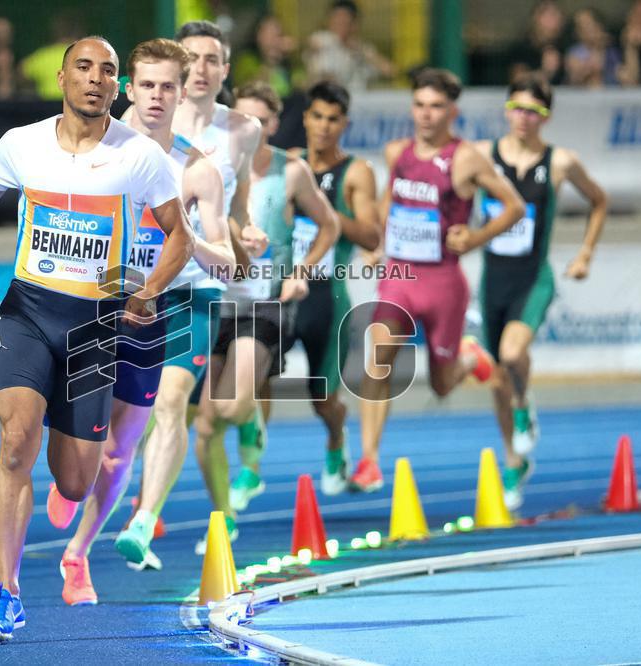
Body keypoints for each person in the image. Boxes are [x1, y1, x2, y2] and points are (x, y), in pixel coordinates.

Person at [0, 36, 193, 644]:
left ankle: (68, 482)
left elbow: (179, 238)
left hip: (95, 327)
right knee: (14, 441)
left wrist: (147, 292)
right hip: (27, 312)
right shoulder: (21, 144)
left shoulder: (138, 156)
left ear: (117, 88)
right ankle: (6, 595)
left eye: (107, 72)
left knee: (77, 482)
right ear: (62, 77)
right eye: (84, 68)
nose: (95, 79)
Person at [42, 37, 235, 602]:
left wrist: (186, 235)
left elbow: (224, 263)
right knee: (84, 442)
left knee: (123, 446)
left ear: (183, 91)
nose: (156, 96)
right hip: (101, 300)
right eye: (146, 84)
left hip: (175, 303)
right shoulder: (97, 146)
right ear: (128, 87)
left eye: (167, 87)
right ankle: (70, 479)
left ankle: (79, 556)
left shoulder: (199, 173)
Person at [113, 20, 269, 569]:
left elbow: (236, 204)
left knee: (176, 402)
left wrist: (224, 232)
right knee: (124, 428)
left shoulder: (232, 139)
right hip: (122, 291)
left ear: (221, 72)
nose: (199, 70)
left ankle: (143, 520)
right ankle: (109, 496)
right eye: (191, 59)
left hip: (192, 290)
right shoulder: (117, 137)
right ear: (136, 87)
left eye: (210, 61)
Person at [350, 68, 525, 493]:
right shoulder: (398, 152)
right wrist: (376, 241)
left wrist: (475, 237)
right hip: (400, 274)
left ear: (452, 112)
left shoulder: (465, 159)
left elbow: (514, 207)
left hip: (444, 282)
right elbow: (390, 198)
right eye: (420, 105)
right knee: (380, 353)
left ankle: (468, 358)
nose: (426, 115)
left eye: (436, 107)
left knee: (443, 385)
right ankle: (369, 460)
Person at [194, 80, 339, 551]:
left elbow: (329, 225)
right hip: (216, 300)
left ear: (273, 125)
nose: (247, 128)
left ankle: (252, 424)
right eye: (240, 118)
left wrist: (301, 271)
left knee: (233, 406)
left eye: (258, 120)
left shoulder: (290, 170)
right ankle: (223, 519)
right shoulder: (212, 166)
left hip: (267, 304)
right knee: (205, 424)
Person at [474, 74, 607, 509]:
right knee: (495, 379)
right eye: (516, 108)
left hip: (534, 278)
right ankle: (514, 460)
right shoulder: (482, 156)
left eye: (534, 111)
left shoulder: (561, 162)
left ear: (546, 117)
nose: (523, 118)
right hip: (492, 279)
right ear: (506, 109)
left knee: (513, 355)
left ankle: (525, 402)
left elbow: (599, 200)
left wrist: (585, 254)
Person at [249, 80, 381, 496]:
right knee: (258, 373)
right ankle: (252, 463)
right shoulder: (288, 164)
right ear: (305, 118)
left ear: (344, 124)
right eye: (317, 116)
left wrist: (328, 217)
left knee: (322, 400)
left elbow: (372, 237)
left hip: (327, 295)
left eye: (333, 119)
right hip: (284, 289)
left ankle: (336, 440)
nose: (323, 127)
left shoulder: (356, 172)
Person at [303, 0, 396, 91]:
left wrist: (361, 51)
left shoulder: (363, 49)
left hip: (356, 99)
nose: (339, 25)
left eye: (344, 21)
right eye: (336, 20)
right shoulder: (321, 39)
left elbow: (391, 71)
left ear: (354, 24)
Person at [233, 14, 301, 100]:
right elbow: (252, 90)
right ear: (258, 36)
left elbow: (301, 84)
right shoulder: (247, 59)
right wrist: (270, 61)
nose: (273, 39)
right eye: (269, 33)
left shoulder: (289, 60)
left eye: (277, 33)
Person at [20, 11, 81, 100]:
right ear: (79, 31)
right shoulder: (86, 55)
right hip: (77, 109)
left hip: (46, 109)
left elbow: (21, 74)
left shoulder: (41, 56)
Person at [506, 0, 569, 86]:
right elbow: (518, 82)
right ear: (536, 18)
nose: (557, 20)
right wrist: (545, 72)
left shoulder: (564, 47)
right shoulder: (521, 49)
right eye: (551, 15)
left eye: (559, 16)